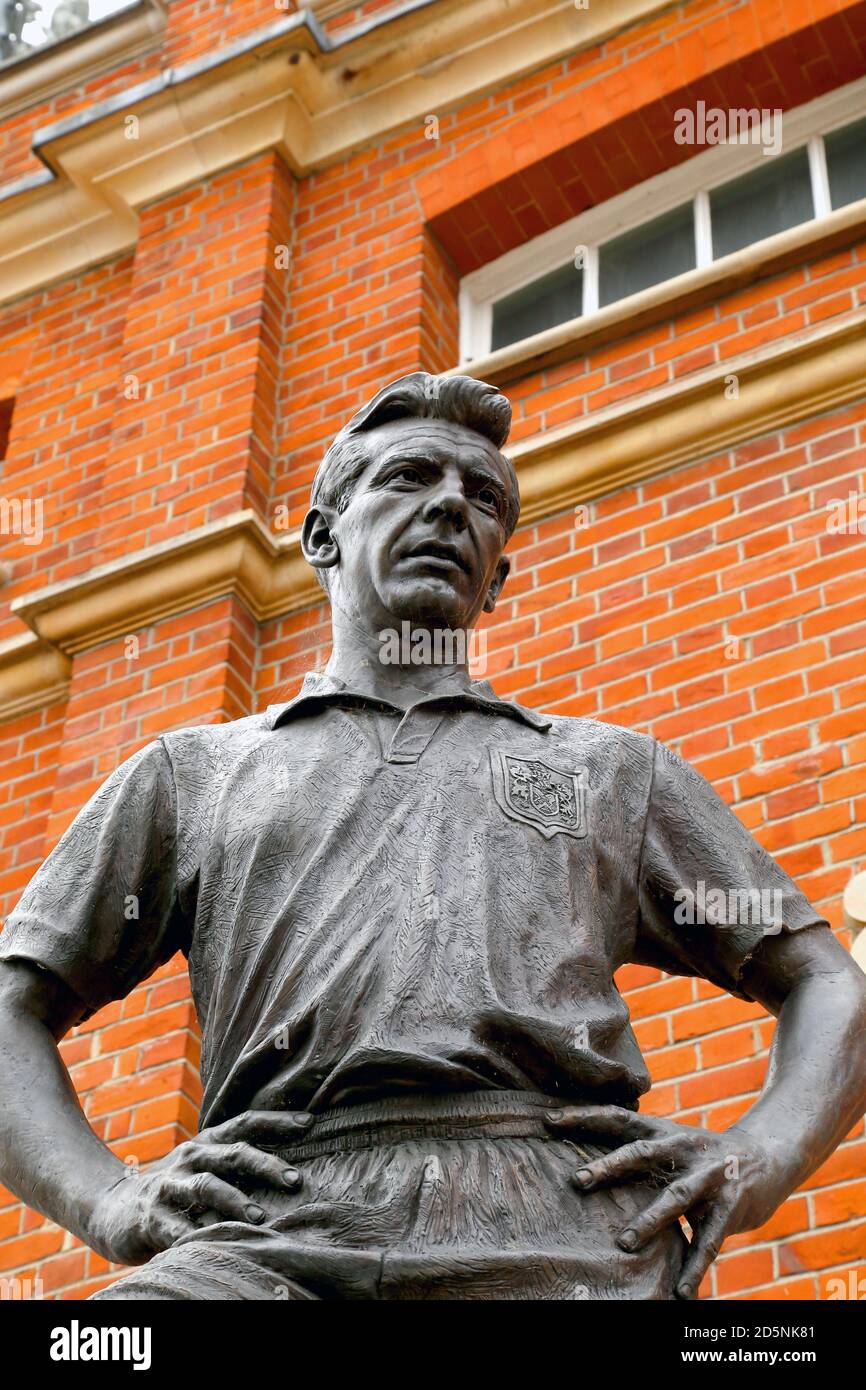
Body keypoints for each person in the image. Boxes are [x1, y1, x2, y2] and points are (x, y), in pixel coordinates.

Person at [1, 373, 864, 1300]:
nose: (451, 506)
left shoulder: (608, 769)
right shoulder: (194, 774)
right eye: (410, 478)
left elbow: (824, 980)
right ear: (325, 536)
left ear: (498, 576)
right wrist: (105, 1201)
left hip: (560, 1224)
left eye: (483, 498)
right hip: (267, 1221)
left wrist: (759, 1159)